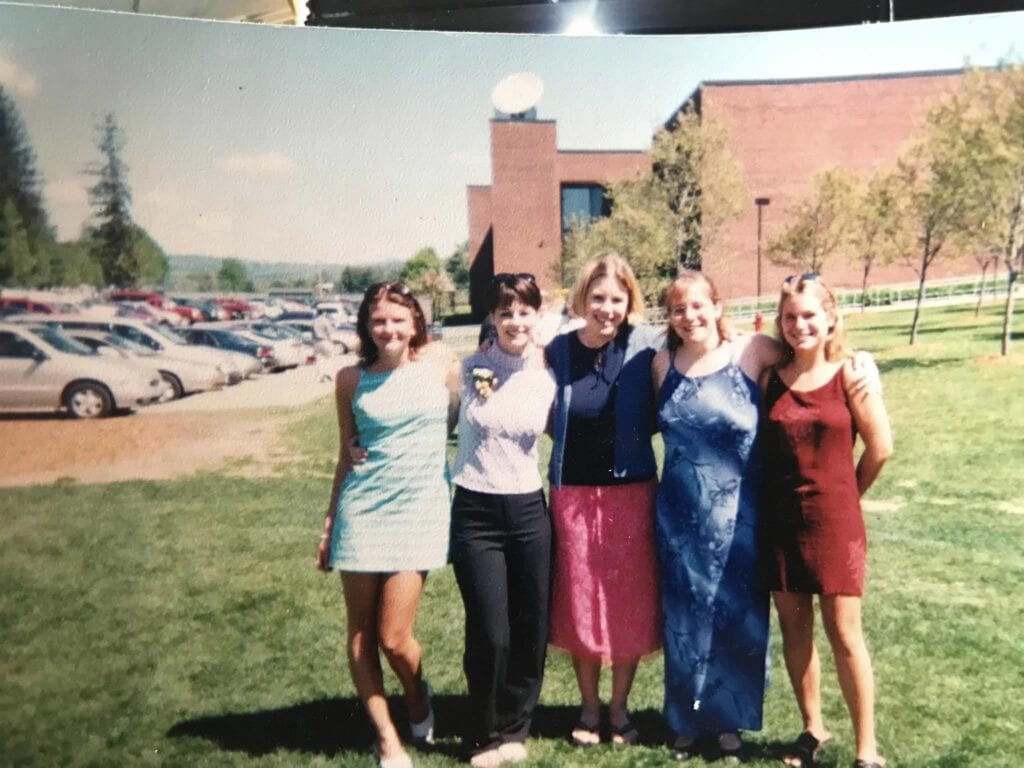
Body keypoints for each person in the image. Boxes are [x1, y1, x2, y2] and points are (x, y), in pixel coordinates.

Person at [315, 282, 459, 768]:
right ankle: (387, 739)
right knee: (360, 632)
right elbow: (345, 453)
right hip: (362, 513)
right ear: (366, 326)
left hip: (418, 513)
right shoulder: (350, 379)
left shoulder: (442, 366)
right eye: (378, 321)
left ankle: (417, 695)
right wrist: (330, 524)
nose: (388, 329)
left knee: (394, 637)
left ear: (416, 322)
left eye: (398, 319)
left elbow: (473, 413)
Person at [760, 274, 893, 768]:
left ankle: (867, 749)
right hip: (780, 524)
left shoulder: (850, 374)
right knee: (796, 633)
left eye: (809, 315)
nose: (800, 326)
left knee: (845, 634)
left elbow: (881, 448)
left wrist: (847, 497)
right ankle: (812, 728)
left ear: (831, 317)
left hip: (835, 524)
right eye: (790, 317)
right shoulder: (771, 379)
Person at [653, 271, 782, 761]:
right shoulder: (662, 364)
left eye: (697, 305)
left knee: (736, 618)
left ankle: (728, 723)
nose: (689, 317)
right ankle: (685, 720)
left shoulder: (753, 351)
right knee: (685, 621)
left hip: (740, 516)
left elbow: (811, 357)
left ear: (717, 306)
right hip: (679, 518)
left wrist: (856, 360)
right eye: (678, 309)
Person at [544, 251, 664, 747]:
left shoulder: (648, 346)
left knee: (629, 602)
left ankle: (619, 708)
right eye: (598, 298)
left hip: (632, 493)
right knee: (580, 600)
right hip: (572, 492)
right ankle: (589, 707)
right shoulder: (557, 350)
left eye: (617, 299)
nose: (607, 309)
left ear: (629, 301)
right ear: (582, 298)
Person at [449, 273, 557, 768]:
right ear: (492, 317)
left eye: (524, 311)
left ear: (538, 315)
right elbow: (430, 419)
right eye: (505, 312)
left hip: (529, 510)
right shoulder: (468, 367)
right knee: (491, 632)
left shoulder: (549, 372)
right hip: (476, 511)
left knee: (530, 627)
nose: (515, 321)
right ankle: (482, 733)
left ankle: (516, 726)